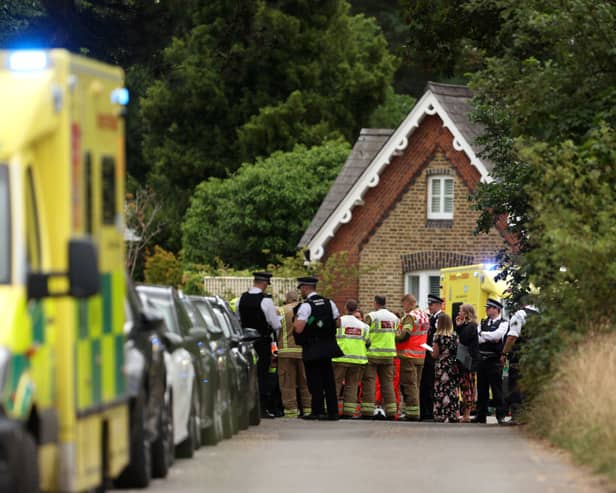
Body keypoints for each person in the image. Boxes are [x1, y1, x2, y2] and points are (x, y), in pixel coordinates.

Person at [293, 276, 342, 420]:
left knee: (315, 381)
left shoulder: (306, 305)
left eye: (301, 288)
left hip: (312, 348)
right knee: (329, 380)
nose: (301, 291)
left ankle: (317, 411)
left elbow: (299, 328)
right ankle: (333, 412)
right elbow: (338, 323)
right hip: (328, 347)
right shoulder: (329, 302)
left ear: (305, 288)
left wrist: (305, 323)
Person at [237, 271, 282, 418]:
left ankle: (245, 408)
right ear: (264, 283)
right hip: (262, 342)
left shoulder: (241, 299)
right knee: (262, 375)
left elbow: (238, 321)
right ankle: (261, 408)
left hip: (245, 343)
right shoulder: (266, 301)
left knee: (247, 374)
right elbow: (276, 325)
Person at [360, 295, 399, 420]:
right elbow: (396, 334)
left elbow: (364, 333)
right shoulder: (395, 318)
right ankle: (391, 412)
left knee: (369, 382)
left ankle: (367, 411)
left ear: (375, 303)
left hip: (373, 355)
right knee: (387, 383)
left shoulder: (371, 316)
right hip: (388, 356)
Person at [500, 305, 539, 424]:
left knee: (515, 384)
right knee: (531, 385)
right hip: (535, 355)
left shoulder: (519, 315)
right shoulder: (538, 314)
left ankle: (517, 416)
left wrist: (504, 353)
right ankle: (532, 415)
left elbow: (512, 337)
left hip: (519, 356)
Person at [332, 299, 370, 419]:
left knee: (335, 384)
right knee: (352, 386)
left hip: (340, 358)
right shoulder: (364, 326)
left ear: (345, 308)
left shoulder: (339, 322)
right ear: (355, 309)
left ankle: (332, 410)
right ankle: (349, 412)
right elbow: (367, 343)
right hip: (358, 360)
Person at [473, 298, 508, 424]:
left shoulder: (503, 323)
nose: (487, 310)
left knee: (497, 389)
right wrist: (487, 336)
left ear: (496, 309)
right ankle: (480, 415)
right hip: (482, 359)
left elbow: (497, 337)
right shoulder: (483, 323)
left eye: (489, 308)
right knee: (482, 390)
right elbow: (477, 339)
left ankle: (501, 415)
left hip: (494, 360)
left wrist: (484, 335)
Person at [277, 290, 311, 418]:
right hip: (304, 352)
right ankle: (308, 409)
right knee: (306, 382)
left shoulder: (280, 310)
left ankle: (291, 411)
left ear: (287, 299)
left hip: (286, 352)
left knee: (287, 383)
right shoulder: (306, 309)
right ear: (298, 299)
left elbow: (275, 328)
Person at [395, 294, 430, 421]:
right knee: (416, 385)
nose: (402, 307)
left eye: (403, 304)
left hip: (408, 355)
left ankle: (412, 413)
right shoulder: (424, 315)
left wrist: (393, 337)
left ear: (409, 303)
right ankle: (416, 411)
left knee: (409, 385)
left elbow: (405, 334)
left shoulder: (411, 316)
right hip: (420, 355)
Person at [454, 303, 480, 422]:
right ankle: (465, 413)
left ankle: (467, 414)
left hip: (468, 360)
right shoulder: (466, 325)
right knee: (464, 386)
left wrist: (459, 326)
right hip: (464, 359)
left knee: (468, 386)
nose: (459, 313)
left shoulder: (471, 326)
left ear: (466, 313)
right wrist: (459, 326)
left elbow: (463, 339)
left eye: (461, 311)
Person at [432, 313, 459, 422]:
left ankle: (441, 414)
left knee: (441, 389)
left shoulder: (437, 336)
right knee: (452, 389)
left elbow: (435, 354)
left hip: (442, 365)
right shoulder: (455, 336)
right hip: (452, 365)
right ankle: (452, 414)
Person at [420, 294, 443, 421]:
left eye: (432, 304)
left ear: (439, 305)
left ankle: (430, 412)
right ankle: (425, 412)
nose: (430, 307)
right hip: (427, 355)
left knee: (429, 385)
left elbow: (439, 339)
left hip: (433, 356)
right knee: (425, 384)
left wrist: (430, 349)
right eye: (429, 304)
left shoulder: (440, 318)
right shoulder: (431, 318)